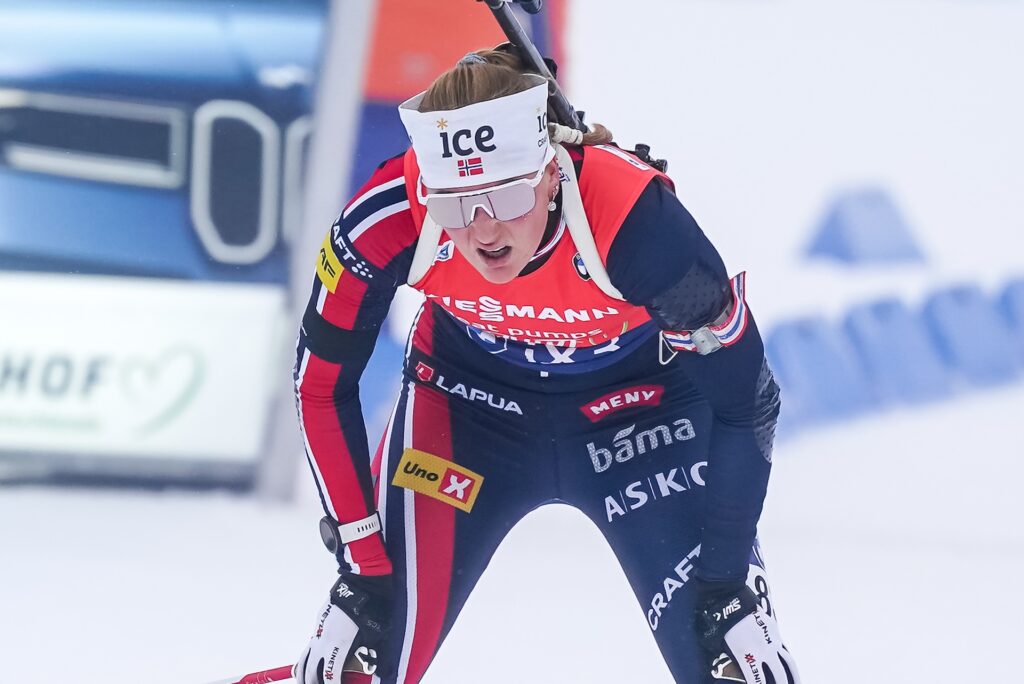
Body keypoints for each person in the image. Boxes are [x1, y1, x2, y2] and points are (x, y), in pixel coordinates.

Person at [292, 46, 799, 684]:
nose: (481, 231)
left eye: (504, 196)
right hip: (467, 414)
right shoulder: (390, 215)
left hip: (641, 420)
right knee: (351, 666)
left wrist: (726, 579)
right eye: (454, 204)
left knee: (735, 661)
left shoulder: (639, 228)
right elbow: (319, 386)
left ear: (551, 172)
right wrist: (360, 567)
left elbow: (746, 399)